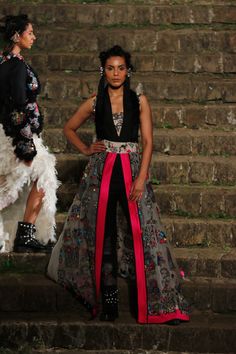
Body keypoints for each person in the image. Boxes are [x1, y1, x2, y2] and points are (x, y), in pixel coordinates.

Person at [47, 45, 189, 324]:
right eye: (110, 68)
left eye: (121, 68)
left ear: (128, 71)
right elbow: (68, 128)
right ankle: (108, 303)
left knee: (143, 233)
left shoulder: (139, 101)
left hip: (132, 171)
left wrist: (141, 177)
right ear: (104, 70)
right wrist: (87, 149)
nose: (116, 73)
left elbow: (148, 142)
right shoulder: (95, 101)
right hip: (102, 173)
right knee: (105, 235)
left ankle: (158, 302)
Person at [0, 14, 59, 253]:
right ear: (18, 36)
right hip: (17, 135)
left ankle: (25, 233)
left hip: (6, 132)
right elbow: (17, 103)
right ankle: (25, 234)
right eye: (30, 33)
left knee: (26, 178)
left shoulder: (3, 62)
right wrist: (24, 142)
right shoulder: (15, 66)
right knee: (25, 179)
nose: (34, 37)